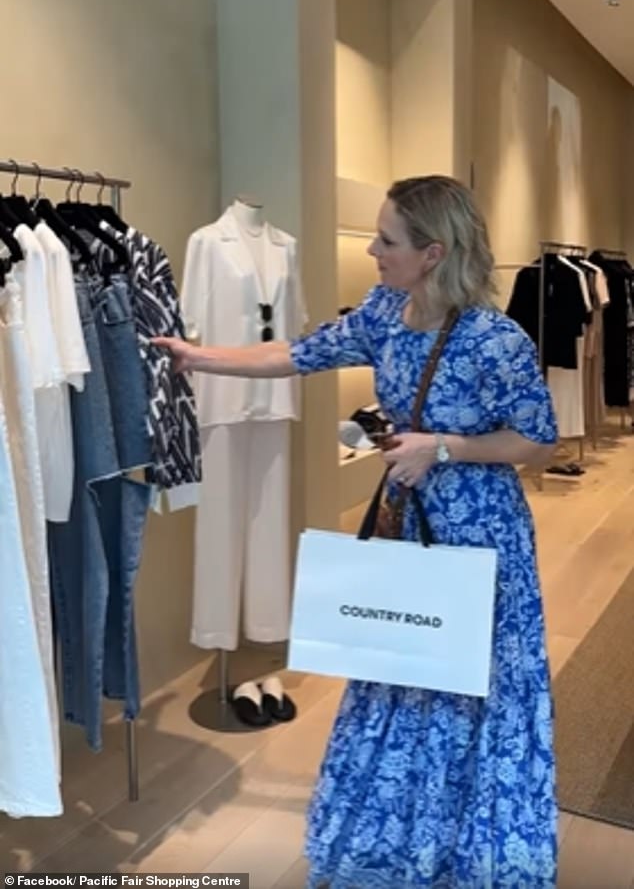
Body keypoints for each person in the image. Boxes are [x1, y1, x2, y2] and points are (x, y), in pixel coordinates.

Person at [154, 175, 559, 889]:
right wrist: (201, 357)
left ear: (433, 253)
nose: (372, 250)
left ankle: (468, 848)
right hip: (410, 525)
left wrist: (444, 447)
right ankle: (397, 837)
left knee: (468, 687)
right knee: (401, 671)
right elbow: (298, 354)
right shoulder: (382, 312)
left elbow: (538, 441)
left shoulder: (497, 340)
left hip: (480, 539)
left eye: (386, 240)